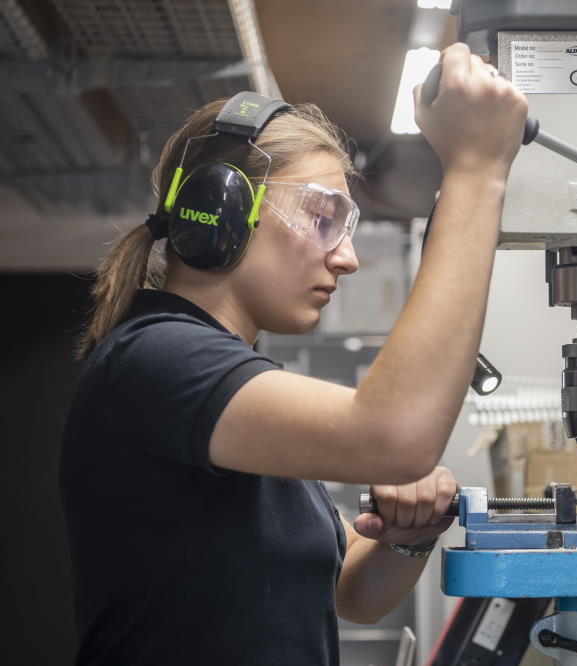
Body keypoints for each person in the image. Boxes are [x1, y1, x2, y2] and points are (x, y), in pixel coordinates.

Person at [60, 43, 528, 665]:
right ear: (222, 206)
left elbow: (349, 593)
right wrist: (476, 170)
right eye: (323, 215)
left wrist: (405, 538)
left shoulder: (238, 395)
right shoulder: (157, 360)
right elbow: (396, 436)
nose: (348, 257)